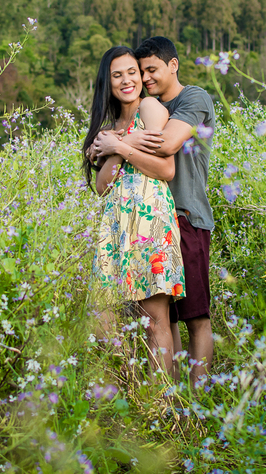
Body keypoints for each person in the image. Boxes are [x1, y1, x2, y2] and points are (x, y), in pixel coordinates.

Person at [93, 36, 215, 387]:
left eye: (148, 70)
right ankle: (173, 397)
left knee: (195, 316)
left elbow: (167, 147)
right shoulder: (139, 110)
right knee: (166, 318)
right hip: (145, 223)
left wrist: (117, 142)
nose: (143, 79)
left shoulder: (190, 99)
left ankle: (199, 400)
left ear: (172, 65)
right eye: (135, 72)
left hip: (185, 214)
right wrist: (114, 141)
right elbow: (103, 183)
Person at [83, 46, 185, 376]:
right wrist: (117, 147)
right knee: (104, 322)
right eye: (117, 75)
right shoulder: (111, 123)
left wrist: (117, 145)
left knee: (155, 322)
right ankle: (127, 402)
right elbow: (101, 186)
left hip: (150, 221)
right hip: (115, 226)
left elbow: (165, 169)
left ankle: (162, 408)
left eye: (132, 72)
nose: (127, 80)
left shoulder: (150, 107)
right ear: (107, 82)